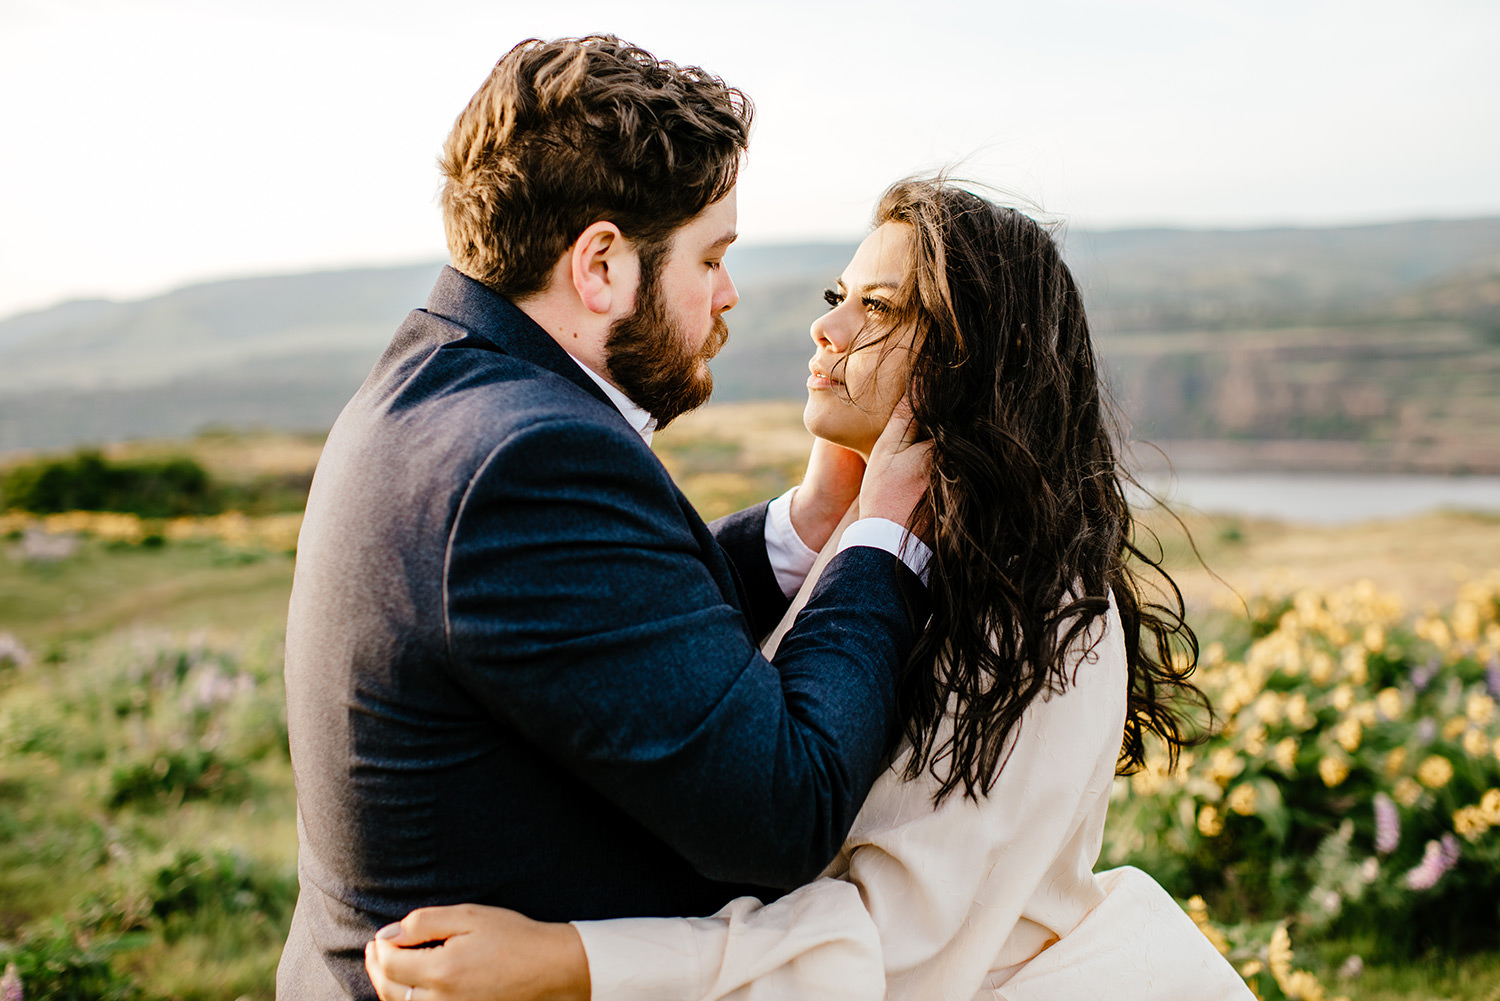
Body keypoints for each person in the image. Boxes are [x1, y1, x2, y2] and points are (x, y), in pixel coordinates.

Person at [363, 180, 1257, 1000]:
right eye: (838, 298)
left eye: (879, 308)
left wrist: (574, 961)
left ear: (975, 357)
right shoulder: (872, 546)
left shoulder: (1051, 616)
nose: (827, 330)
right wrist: (833, 520)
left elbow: (898, 948)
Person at [278, 37, 935, 1000]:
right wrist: (881, 537)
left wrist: (804, 524)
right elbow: (786, 809)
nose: (727, 294)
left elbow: (607, 637)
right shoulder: (528, 458)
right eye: (709, 256)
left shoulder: (439, 383)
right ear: (600, 265)